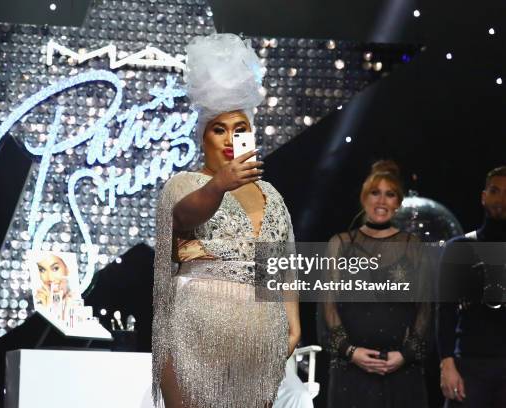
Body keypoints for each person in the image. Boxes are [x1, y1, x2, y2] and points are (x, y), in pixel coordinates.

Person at [151, 33, 301, 408]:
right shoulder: (185, 184)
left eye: (240, 130)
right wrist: (219, 185)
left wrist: (293, 322)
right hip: (194, 337)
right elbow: (185, 216)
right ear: (203, 137)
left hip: (259, 343)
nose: (230, 140)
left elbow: (282, 265)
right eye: (219, 129)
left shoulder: (272, 196)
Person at [318, 160, 430, 408]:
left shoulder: (413, 245)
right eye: (375, 192)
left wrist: (405, 355)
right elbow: (327, 305)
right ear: (363, 198)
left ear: (398, 202)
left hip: (401, 370)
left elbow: (425, 307)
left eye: (390, 194)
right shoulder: (340, 244)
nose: (381, 201)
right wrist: (350, 351)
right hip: (351, 371)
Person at [437, 166, 506, 408]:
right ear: (483, 196)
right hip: (469, 367)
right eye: (495, 190)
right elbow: (445, 310)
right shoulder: (459, 248)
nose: (501, 199)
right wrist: (446, 363)